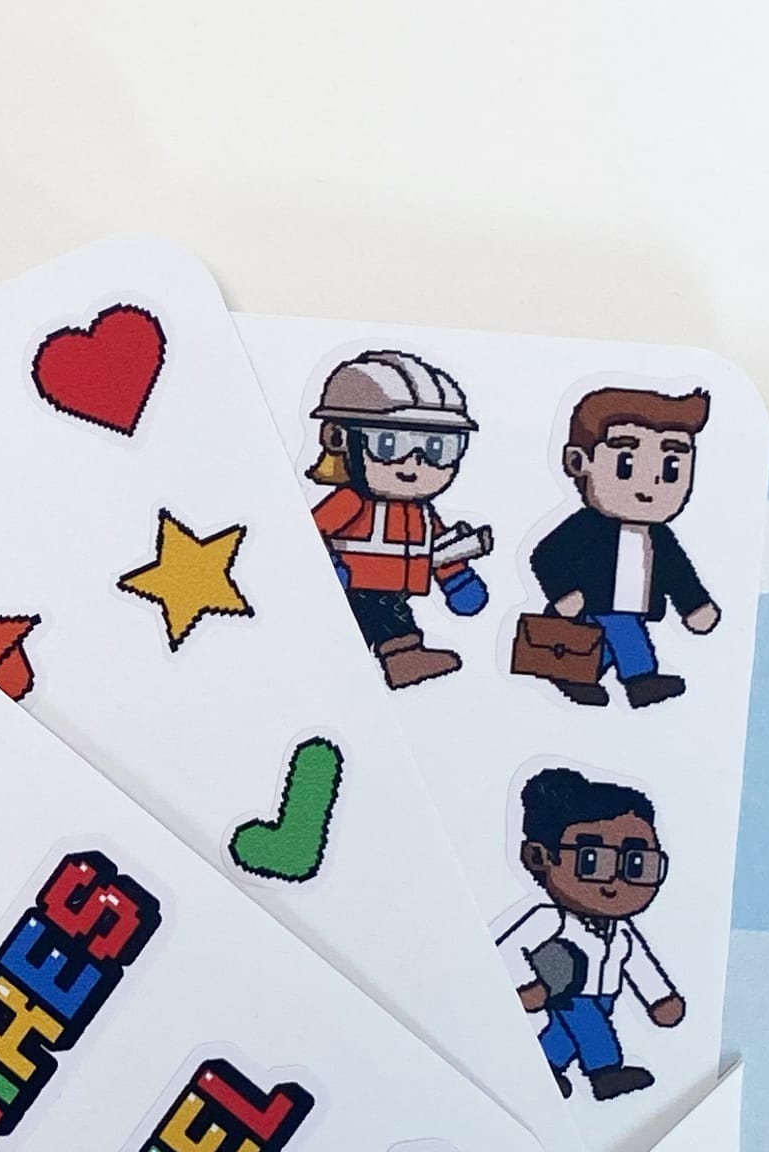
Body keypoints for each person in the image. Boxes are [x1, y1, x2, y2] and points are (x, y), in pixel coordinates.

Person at [306, 350, 494, 688]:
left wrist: (457, 580)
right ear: (340, 439)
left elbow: (438, 548)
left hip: (395, 589)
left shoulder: (423, 514)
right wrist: (327, 567)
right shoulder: (351, 502)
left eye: (438, 449)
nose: (414, 463)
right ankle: (393, 658)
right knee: (377, 621)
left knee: (385, 619)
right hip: (357, 587)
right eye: (389, 444)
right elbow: (309, 534)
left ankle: (396, 659)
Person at [526, 387, 720, 708]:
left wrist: (694, 605)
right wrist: (563, 593)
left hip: (632, 605)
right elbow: (547, 556)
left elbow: (678, 575)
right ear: (578, 462)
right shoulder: (587, 527)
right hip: (593, 603)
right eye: (626, 464)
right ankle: (640, 680)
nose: (649, 485)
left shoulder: (660, 538)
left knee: (604, 643)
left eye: (671, 469)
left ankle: (577, 675)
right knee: (622, 630)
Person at [498, 766, 684, 1102]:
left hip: (606, 994)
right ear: (540, 857)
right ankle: (606, 1072)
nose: (615, 880)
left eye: (637, 864)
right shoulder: (552, 919)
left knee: (562, 1037)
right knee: (589, 1027)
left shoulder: (621, 931)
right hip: (568, 990)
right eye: (592, 861)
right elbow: (509, 949)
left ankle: (545, 1069)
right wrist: (527, 985)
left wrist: (660, 998)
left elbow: (639, 965)